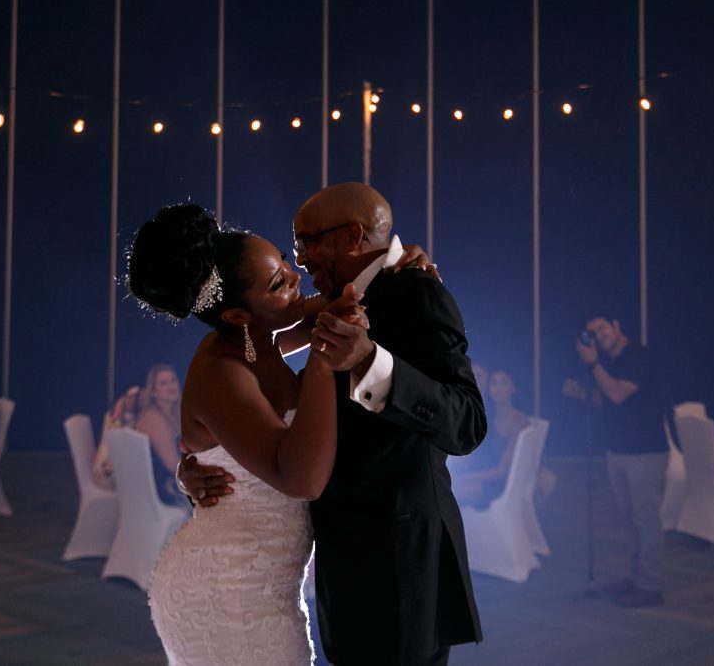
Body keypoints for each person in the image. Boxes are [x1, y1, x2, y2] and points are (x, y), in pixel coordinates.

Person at [181, 183, 487, 665]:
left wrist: (372, 362)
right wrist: (199, 461)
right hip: (336, 565)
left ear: (350, 236)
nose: (299, 263)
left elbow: (468, 424)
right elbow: (234, 400)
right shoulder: (316, 311)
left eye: (302, 243)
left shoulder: (415, 291)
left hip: (398, 565)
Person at [129, 202, 361, 664]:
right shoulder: (222, 372)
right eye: (278, 283)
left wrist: (402, 262)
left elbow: (353, 297)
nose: (296, 278)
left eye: (282, 259)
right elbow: (302, 481)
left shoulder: (262, 336)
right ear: (237, 316)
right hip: (228, 589)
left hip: (265, 583)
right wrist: (320, 359)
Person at [563, 310, 667, 608]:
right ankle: (637, 578)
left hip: (645, 452)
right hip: (618, 450)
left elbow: (619, 393)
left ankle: (651, 585)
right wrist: (580, 393)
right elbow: (606, 401)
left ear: (617, 326)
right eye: (592, 332)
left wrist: (593, 363)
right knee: (630, 518)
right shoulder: (608, 363)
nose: (599, 335)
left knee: (646, 519)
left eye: (602, 328)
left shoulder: (638, 356)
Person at [92, 364, 185, 505]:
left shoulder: (174, 413)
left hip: (157, 479)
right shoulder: (154, 419)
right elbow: (173, 466)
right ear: (154, 391)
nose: (170, 386)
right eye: (163, 383)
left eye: (173, 380)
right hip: (147, 488)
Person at [451, 369, 531, 508]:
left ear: (513, 388)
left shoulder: (519, 421)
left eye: (504, 383)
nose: (498, 388)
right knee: (442, 486)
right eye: (494, 383)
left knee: (453, 492)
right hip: (482, 476)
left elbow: (501, 472)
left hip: (500, 484)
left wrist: (462, 478)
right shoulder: (488, 416)